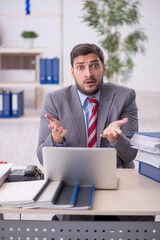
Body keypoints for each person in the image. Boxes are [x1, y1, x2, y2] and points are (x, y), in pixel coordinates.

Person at [37, 43, 154, 221]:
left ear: (103, 68)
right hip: (73, 184)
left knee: (144, 217)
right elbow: (41, 156)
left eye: (94, 65)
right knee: (72, 220)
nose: (88, 74)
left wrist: (116, 139)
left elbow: (131, 154)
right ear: (72, 72)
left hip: (118, 183)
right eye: (80, 67)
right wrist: (55, 139)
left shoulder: (125, 96)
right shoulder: (54, 100)